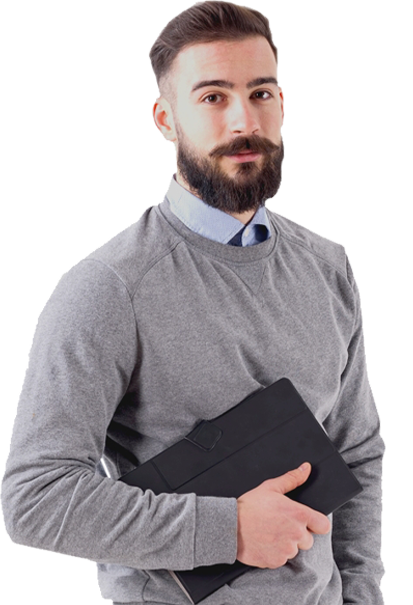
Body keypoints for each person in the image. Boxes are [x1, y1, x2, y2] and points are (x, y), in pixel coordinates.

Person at [1, 2, 384, 604]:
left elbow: (358, 455)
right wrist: (228, 530)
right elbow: (34, 499)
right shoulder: (111, 286)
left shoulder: (328, 268)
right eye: (212, 97)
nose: (244, 120)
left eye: (261, 93)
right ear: (166, 119)